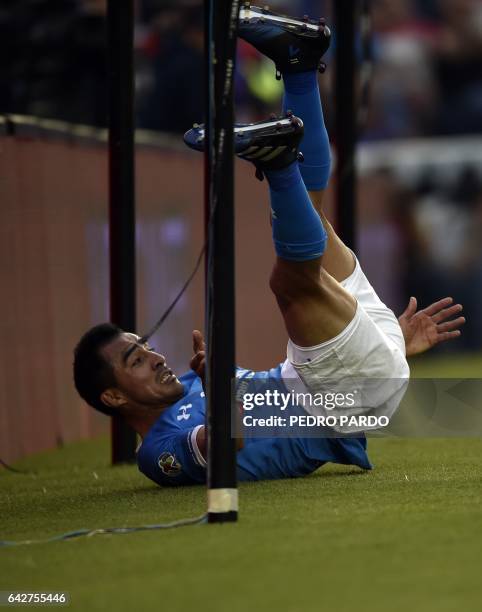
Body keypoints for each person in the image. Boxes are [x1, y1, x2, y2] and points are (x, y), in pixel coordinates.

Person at [73, 6, 465, 486]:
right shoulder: (159, 452)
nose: (155, 356)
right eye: (135, 359)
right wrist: (221, 389)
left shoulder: (192, 381)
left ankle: (299, 68)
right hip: (337, 402)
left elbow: (277, 392)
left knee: (311, 222)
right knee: (290, 280)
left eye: (145, 346)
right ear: (113, 398)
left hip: (342, 372)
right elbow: (223, 444)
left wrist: (390, 346)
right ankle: (279, 162)